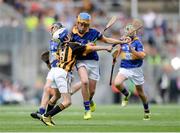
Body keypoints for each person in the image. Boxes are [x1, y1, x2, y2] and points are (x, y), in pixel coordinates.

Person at [38, 24, 113, 126]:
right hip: (62, 73)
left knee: (57, 96)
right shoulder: (73, 46)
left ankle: (47, 115)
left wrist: (86, 45)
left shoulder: (60, 47)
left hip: (54, 71)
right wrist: (106, 47)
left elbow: (79, 47)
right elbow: (88, 49)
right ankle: (46, 116)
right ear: (66, 37)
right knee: (67, 102)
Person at [71, 12, 128, 120]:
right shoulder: (73, 34)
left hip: (93, 62)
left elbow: (106, 40)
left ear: (88, 25)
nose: (82, 27)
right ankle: (87, 110)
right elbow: (73, 48)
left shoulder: (94, 33)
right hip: (81, 61)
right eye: (81, 24)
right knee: (84, 81)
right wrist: (86, 46)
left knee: (91, 91)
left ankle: (89, 100)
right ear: (77, 23)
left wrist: (120, 41)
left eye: (85, 25)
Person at [30, 23, 82, 123]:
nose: (52, 29)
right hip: (55, 70)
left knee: (61, 94)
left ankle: (43, 113)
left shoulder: (61, 39)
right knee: (56, 95)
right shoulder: (52, 42)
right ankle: (45, 115)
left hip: (64, 71)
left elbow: (69, 52)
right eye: (52, 28)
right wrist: (47, 63)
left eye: (55, 27)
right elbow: (54, 61)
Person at [113, 22, 151, 120]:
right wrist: (115, 55)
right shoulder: (123, 40)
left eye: (131, 32)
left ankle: (146, 111)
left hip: (136, 69)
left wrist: (132, 50)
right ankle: (126, 94)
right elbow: (118, 51)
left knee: (141, 93)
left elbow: (143, 56)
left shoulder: (138, 43)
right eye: (128, 31)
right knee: (117, 83)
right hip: (125, 67)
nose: (130, 33)